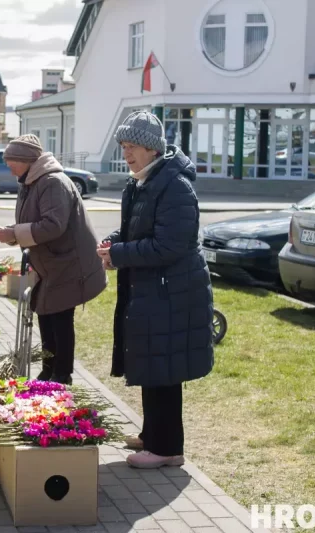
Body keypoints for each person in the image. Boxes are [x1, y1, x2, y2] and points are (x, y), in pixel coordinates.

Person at [97, 111, 214, 469]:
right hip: (155, 290)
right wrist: (112, 243)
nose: (126, 153)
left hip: (172, 292)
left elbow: (169, 246)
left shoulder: (174, 186)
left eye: (132, 146)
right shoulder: (143, 181)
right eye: (123, 146)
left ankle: (167, 449)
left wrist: (120, 254)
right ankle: (153, 435)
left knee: (164, 369)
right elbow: (135, 230)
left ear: (151, 148)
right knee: (152, 362)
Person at [0, 134, 106, 384]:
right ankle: (48, 372)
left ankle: (61, 376)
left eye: (11, 161)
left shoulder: (52, 182)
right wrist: (12, 233)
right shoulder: (31, 181)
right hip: (53, 265)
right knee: (45, 312)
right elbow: (33, 221)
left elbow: (53, 225)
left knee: (59, 317)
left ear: (26, 160)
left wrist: (16, 233)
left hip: (69, 264)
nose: (8, 166)